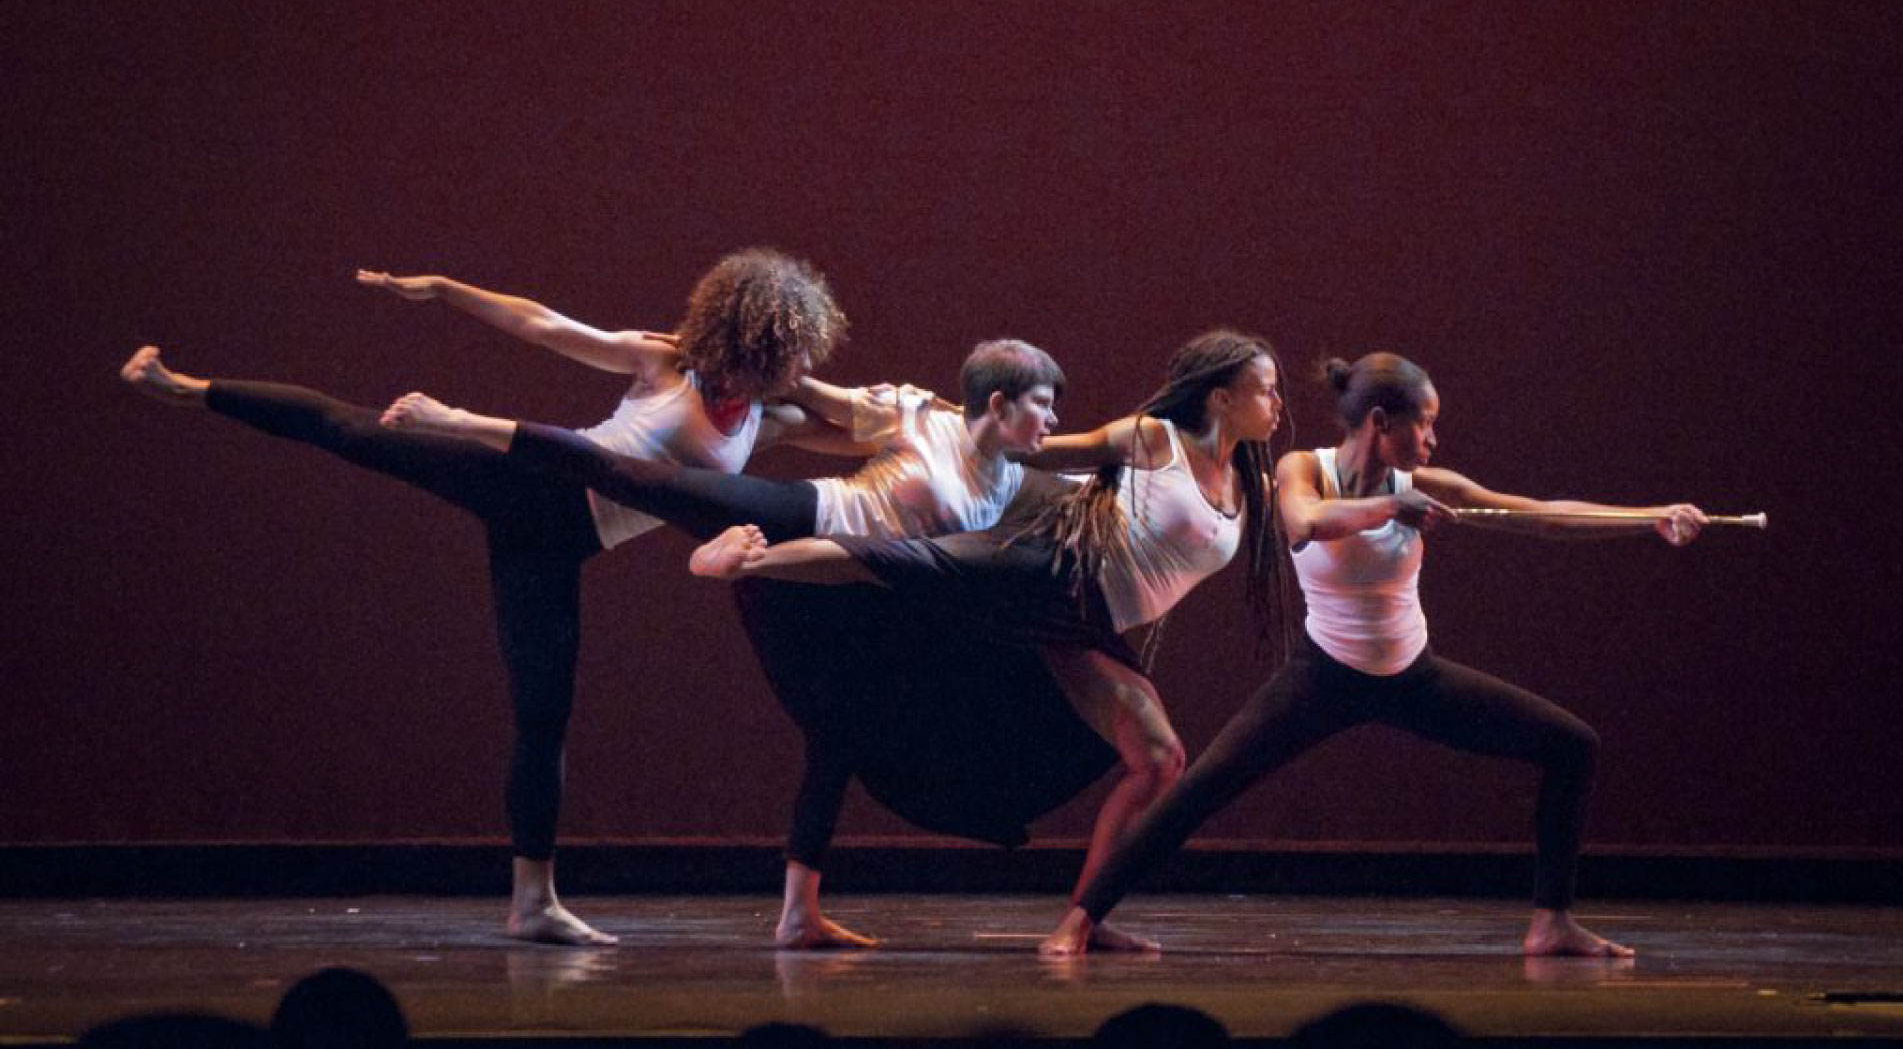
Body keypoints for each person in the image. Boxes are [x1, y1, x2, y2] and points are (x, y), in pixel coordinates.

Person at [119, 249, 847, 946]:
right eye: (795, 350)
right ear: (755, 340)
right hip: (524, 480)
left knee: (542, 715)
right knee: (350, 428)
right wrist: (444, 289)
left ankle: (533, 905)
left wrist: (920, 409)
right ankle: (184, 388)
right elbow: (545, 326)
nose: (805, 366)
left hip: (556, 546)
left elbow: (855, 426)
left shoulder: (765, 421)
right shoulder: (665, 362)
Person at [378, 338, 1070, 947]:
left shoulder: (1017, 479)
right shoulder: (919, 415)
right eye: (1043, 404)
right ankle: (464, 421)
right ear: (1000, 402)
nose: (1054, 420)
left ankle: (799, 916)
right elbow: (803, 392)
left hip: (853, 589)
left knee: (838, 736)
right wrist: (739, 351)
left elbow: (1106, 466)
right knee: (648, 478)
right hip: (810, 520)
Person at [1041, 352, 1709, 957]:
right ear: (1381, 422)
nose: (1432, 440)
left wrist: (1648, 516)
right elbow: (1303, 523)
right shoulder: (1306, 469)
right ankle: (1081, 920)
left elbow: (1537, 512)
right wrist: (1390, 509)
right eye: (1425, 426)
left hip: (1411, 677)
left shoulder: (1425, 483)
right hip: (1321, 677)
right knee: (1196, 793)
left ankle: (1550, 923)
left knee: (1572, 745)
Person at [690, 328, 1287, 950]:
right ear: (1220, 397)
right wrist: (964, 414)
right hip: (1048, 574)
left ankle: (1085, 918)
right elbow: (1035, 449)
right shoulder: (1152, 440)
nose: (1277, 404)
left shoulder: (1254, 493)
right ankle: (746, 562)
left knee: (1160, 760)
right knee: (901, 560)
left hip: (1087, 625)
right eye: (1266, 391)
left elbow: (1323, 505)